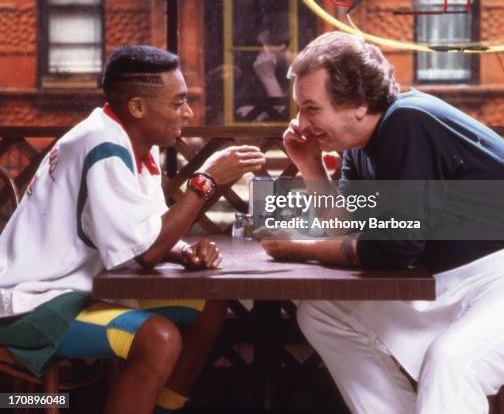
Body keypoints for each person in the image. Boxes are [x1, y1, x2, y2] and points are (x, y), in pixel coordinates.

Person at [0, 45, 266, 414]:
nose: (188, 113)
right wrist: (205, 181)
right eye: (178, 103)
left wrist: (183, 251)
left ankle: (159, 409)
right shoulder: (104, 145)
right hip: (30, 305)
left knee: (209, 306)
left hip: (77, 291)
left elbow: (147, 233)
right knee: (157, 338)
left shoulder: (131, 143)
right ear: (138, 107)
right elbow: (147, 253)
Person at [261, 31, 504, 414]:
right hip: (454, 282)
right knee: (322, 311)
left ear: (358, 103)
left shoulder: (408, 121)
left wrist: (298, 249)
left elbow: (392, 250)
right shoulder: (361, 144)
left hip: (497, 279)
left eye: (310, 108)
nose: (301, 122)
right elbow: (347, 233)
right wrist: (310, 165)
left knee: (451, 363)